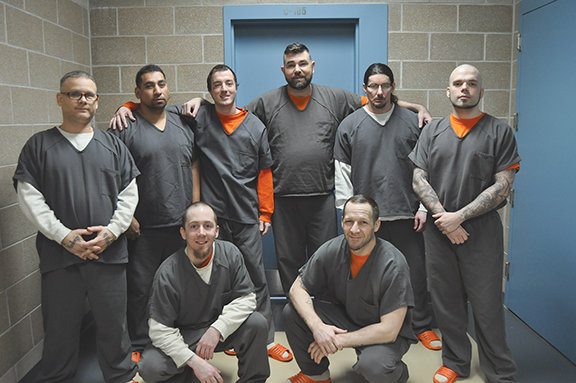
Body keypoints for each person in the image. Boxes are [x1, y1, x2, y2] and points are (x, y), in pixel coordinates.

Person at [177, 42, 432, 296]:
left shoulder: (336, 98)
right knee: (288, 262)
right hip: (284, 199)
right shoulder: (267, 102)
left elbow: (378, 101)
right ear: (283, 69)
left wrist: (415, 107)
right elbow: (232, 112)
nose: (297, 69)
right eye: (291, 65)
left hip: (322, 197)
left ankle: (324, 312)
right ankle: (295, 315)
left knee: (327, 259)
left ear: (312, 66)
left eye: (302, 64)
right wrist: (202, 100)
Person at [110, 65, 291, 362]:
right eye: (217, 84)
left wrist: (265, 212)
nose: (224, 89)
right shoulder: (198, 117)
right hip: (211, 220)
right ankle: (222, 337)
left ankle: (265, 339)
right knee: (215, 282)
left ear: (236, 86)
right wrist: (126, 105)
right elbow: (153, 103)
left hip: (244, 216)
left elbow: (264, 172)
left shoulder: (253, 125)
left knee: (255, 278)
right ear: (209, 91)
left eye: (229, 83)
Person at [13, 71, 141, 383]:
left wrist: (111, 233)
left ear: (97, 101)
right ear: (60, 99)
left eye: (89, 95)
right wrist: (64, 237)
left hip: (108, 254)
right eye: (75, 94)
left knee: (114, 325)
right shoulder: (39, 146)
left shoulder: (112, 145)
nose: (82, 100)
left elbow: (129, 194)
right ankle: (57, 376)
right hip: (60, 256)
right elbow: (29, 196)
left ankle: (122, 374)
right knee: (59, 326)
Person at [409, 64, 520, 383]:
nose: (464, 88)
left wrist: (460, 217)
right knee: (446, 301)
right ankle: (456, 362)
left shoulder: (499, 132)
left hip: (480, 233)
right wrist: (445, 219)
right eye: (458, 83)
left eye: (472, 84)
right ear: (448, 91)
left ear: (481, 92)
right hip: (439, 231)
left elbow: (503, 186)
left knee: (487, 305)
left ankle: (500, 370)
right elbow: (418, 178)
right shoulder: (432, 131)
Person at [333, 63, 441, 351]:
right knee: (367, 274)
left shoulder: (412, 122)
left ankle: (421, 326)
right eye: (373, 86)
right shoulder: (350, 125)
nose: (379, 91)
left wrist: (423, 207)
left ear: (393, 87)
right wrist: (347, 213)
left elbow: (426, 167)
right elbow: (342, 171)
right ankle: (369, 325)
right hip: (366, 219)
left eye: (385, 85)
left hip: (407, 212)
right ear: (365, 89)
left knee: (414, 271)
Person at [108, 64, 200, 356]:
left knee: (181, 284)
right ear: (137, 93)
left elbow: (194, 165)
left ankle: (181, 336)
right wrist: (128, 217)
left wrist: (195, 209)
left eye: (161, 84)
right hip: (143, 226)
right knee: (140, 288)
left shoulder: (182, 120)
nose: (157, 90)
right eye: (149, 86)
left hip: (181, 223)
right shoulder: (125, 127)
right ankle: (137, 342)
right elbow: (112, 175)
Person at [283, 195, 417, 383]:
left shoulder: (393, 264)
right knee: (292, 312)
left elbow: (389, 329)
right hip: (348, 317)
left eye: (363, 222)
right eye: (349, 222)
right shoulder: (333, 249)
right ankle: (316, 376)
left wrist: (336, 341)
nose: (354, 230)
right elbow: (297, 289)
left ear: (376, 225)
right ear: (342, 222)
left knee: (372, 366)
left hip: (384, 332)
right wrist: (318, 327)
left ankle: (398, 374)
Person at [138, 202, 269, 383]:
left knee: (257, 322)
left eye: (207, 226)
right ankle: (192, 372)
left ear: (216, 231)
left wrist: (217, 329)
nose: (201, 232)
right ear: (183, 233)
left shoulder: (231, 254)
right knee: (150, 367)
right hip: (184, 335)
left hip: (218, 330)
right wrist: (194, 362)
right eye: (194, 226)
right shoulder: (168, 272)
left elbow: (247, 299)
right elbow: (159, 329)